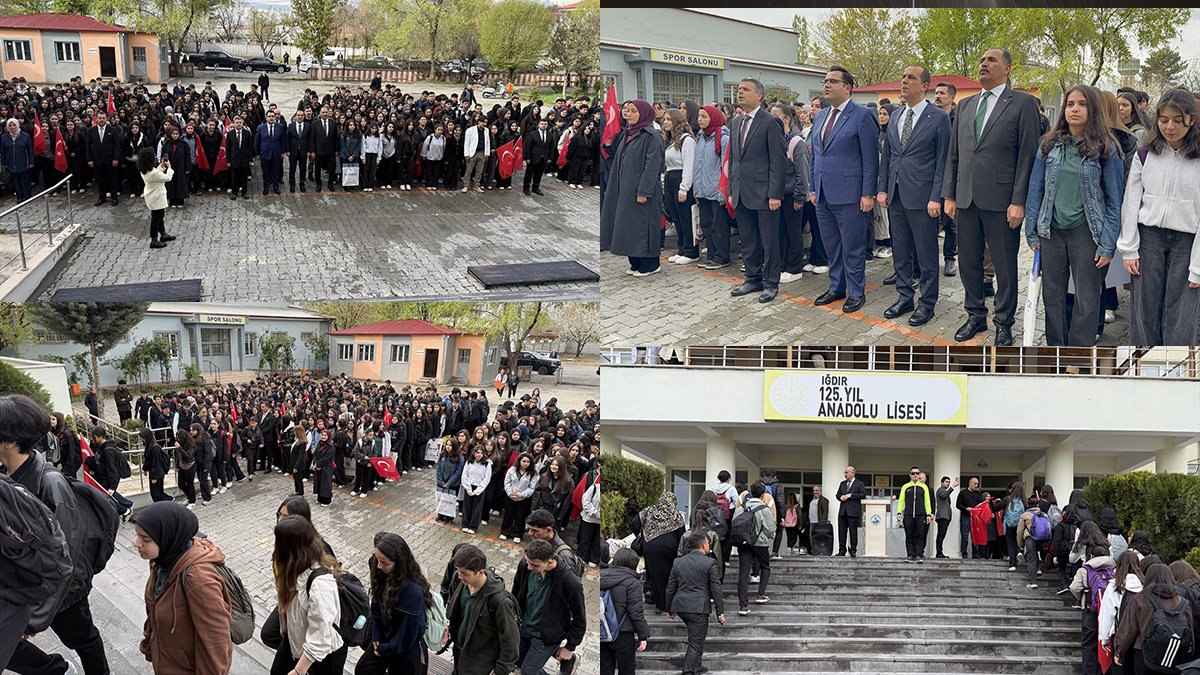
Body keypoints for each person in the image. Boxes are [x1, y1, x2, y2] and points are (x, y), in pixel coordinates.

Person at [0, 395, 110, 675]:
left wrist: (32, 620)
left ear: (11, 441)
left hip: (62, 591)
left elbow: (66, 558)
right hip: (23, 583)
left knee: (84, 639)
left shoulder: (50, 483)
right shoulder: (6, 478)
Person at [943, 49, 1041, 345]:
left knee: (1004, 265)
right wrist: (949, 194)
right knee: (969, 262)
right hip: (966, 198)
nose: (983, 64)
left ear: (1007, 69)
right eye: (982, 61)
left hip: (1002, 201)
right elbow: (954, 154)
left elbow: (1028, 155)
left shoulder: (1022, 103)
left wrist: (1019, 200)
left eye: (991, 61)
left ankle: (1004, 322)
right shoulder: (966, 105)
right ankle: (975, 316)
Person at [1024, 84, 1124, 346]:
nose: (1074, 109)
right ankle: (1056, 350)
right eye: (1070, 104)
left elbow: (1115, 201)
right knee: (1053, 296)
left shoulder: (1107, 148)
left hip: (1087, 234)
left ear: (1094, 109)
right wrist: (1032, 232)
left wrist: (1107, 244)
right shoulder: (1049, 144)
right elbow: (1035, 189)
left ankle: (1078, 354)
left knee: (1087, 299)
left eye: (1082, 104)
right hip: (1052, 232)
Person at [1117, 88, 1200, 345]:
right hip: (1150, 237)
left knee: (1182, 312)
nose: (1170, 127)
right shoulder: (1146, 152)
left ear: (1192, 119)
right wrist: (1129, 248)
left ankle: (1176, 371)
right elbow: (1131, 200)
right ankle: (1141, 365)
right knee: (1144, 309)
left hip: (1188, 240)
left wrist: (1197, 266)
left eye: (1178, 120)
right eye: (1164, 119)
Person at [877, 66, 952, 326]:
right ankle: (904, 296)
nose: (904, 81)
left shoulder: (938, 118)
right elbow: (888, 156)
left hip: (923, 198)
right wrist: (883, 188)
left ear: (925, 85)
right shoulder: (896, 115)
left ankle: (927, 302)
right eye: (903, 77)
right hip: (896, 196)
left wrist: (937, 197)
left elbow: (943, 161)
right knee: (901, 251)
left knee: (926, 253)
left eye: (911, 78)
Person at [131, 501, 233, 675]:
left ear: (169, 538)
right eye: (137, 535)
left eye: (146, 539)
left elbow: (216, 644)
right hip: (166, 661)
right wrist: (149, 642)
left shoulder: (199, 579)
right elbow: (155, 605)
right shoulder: (162, 561)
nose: (136, 543)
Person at [810, 66, 879, 313]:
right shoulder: (820, 116)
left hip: (851, 194)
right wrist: (812, 187)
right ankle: (836, 286)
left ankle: (856, 291)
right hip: (823, 193)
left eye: (832, 81)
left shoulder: (862, 115)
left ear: (847, 87)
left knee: (852, 246)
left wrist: (868, 194)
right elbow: (815, 155)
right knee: (832, 246)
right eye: (825, 81)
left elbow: (871, 158)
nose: (826, 85)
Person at [728, 78, 787, 303]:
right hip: (742, 191)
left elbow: (778, 162)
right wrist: (733, 188)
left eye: (746, 90)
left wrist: (775, 194)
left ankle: (771, 282)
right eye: (739, 89)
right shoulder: (736, 123)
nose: (740, 93)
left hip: (764, 194)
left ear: (759, 95)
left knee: (769, 240)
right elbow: (735, 158)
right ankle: (753, 278)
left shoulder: (770, 122)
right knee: (749, 238)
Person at [271, 515, 348, 675]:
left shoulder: (319, 584)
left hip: (322, 657)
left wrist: (299, 671)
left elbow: (321, 636)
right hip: (298, 642)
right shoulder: (295, 568)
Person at [599, 100, 663, 276]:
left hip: (642, 191)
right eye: (627, 111)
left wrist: (644, 190)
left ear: (643, 114)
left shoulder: (652, 136)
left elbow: (653, 166)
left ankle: (650, 264)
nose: (629, 114)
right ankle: (635, 261)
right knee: (628, 225)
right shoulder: (628, 133)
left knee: (643, 225)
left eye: (634, 111)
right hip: (625, 188)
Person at [356, 533, 431, 675]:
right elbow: (376, 605)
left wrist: (385, 649)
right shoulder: (380, 571)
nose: (378, 566)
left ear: (400, 563)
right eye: (377, 560)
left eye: (384, 563)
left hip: (405, 651)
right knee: (364, 669)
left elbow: (409, 637)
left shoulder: (412, 592)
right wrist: (376, 635)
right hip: (384, 638)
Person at [512, 539, 587, 675]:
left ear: (550, 561)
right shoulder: (525, 566)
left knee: (528, 671)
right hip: (524, 627)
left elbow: (579, 617)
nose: (529, 567)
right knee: (519, 662)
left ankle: (567, 658)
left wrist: (570, 647)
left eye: (534, 565)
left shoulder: (570, 582)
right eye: (528, 562)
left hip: (545, 636)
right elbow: (516, 591)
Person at [444, 544, 521, 675]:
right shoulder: (460, 582)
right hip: (459, 653)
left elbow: (510, 641)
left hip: (480, 664)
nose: (459, 576)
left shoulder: (500, 603)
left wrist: (500, 670)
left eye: (465, 573)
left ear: (481, 571)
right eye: (458, 571)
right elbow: (453, 606)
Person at [1114, 563, 1192, 673]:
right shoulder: (1182, 601)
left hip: (1144, 654)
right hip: (1174, 654)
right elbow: (1189, 630)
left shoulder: (1140, 599)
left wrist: (1119, 651)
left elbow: (1128, 629)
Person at [666, 531, 726, 675]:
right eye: (707, 542)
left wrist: (669, 608)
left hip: (681, 606)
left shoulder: (678, 562)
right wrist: (720, 611)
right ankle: (687, 671)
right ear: (703, 544)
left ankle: (697, 666)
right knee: (695, 642)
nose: (709, 545)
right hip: (698, 608)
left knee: (697, 637)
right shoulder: (710, 562)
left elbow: (670, 587)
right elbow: (716, 588)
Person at [630, 492, 685, 613]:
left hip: (649, 546)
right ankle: (661, 605)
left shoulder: (648, 511)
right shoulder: (676, 515)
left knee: (653, 571)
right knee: (665, 575)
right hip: (668, 549)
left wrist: (642, 534)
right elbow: (682, 536)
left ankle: (650, 591)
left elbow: (634, 523)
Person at [693, 105, 733, 270]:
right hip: (702, 190)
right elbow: (698, 165)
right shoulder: (700, 137)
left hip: (716, 191)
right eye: (699, 116)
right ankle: (711, 254)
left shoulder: (723, 138)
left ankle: (722, 256)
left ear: (714, 118)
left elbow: (726, 166)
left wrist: (723, 191)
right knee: (707, 224)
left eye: (704, 116)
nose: (700, 119)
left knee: (719, 226)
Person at [599, 548, 650, 675]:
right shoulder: (632, 583)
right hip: (623, 632)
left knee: (605, 669)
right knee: (627, 670)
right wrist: (643, 636)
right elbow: (636, 612)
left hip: (604, 631)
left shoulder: (602, 576)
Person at [662, 108, 699, 266]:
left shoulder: (687, 141)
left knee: (686, 217)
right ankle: (682, 248)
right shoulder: (672, 142)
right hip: (671, 179)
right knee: (676, 217)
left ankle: (692, 251)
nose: (665, 122)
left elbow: (689, 166)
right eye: (664, 119)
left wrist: (684, 188)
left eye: (669, 120)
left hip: (681, 179)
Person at [733, 481, 776, 616]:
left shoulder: (741, 508)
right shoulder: (764, 509)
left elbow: (735, 524)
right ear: (763, 495)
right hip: (760, 543)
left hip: (744, 544)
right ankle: (760, 594)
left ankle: (743, 605)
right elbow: (770, 528)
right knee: (765, 567)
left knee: (743, 573)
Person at [1100, 550, 1145, 673]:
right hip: (1141, 637)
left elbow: (1107, 614)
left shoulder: (1115, 585)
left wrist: (1104, 638)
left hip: (1120, 634)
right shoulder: (1144, 584)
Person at [133, 148, 178, 250]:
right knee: (156, 218)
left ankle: (163, 234)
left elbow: (156, 173)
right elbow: (167, 178)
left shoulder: (144, 170)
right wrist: (169, 167)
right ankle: (154, 240)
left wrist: (162, 165)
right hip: (157, 197)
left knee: (159, 215)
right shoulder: (153, 173)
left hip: (152, 196)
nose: (155, 158)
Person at [85, 426, 132, 519]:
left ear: (101, 436)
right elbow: (98, 461)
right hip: (102, 477)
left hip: (108, 478)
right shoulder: (99, 447)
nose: (93, 439)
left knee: (104, 496)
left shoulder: (108, 450)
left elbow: (112, 469)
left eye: (95, 437)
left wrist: (112, 487)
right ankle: (128, 506)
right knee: (108, 495)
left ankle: (125, 511)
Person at [896, 467, 933, 563]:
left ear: (919, 474)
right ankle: (910, 555)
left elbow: (927, 501)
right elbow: (901, 501)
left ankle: (918, 555)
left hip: (920, 515)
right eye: (913, 473)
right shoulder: (905, 486)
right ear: (910, 475)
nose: (915, 475)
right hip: (908, 515)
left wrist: (928, 514)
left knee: (919, 536)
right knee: (909, 535)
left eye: (917, 473)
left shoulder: (924, 487)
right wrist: (899, 512)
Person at [86, 111, 122, 206]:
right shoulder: (90, 131)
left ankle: (114, 197)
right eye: (100, 118)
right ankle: (102, 197)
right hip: (97, 160)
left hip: (110, 160)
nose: (101, 120)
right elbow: (88, 147)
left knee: (112, 179)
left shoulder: (113, 130)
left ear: (106, 119)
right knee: (100, 180)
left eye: (103, 118)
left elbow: (117, 145)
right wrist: (89, 159)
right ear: (96, 119)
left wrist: (116, 158)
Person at [501, 452, 537, 542]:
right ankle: (505, 532)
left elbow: (532, 487)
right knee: (508, 514)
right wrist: (510, 493)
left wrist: (521, 494)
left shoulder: (533, 473)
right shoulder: (512, 470)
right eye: (524, 461)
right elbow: (507, 482)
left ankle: (517, 534)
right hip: (511, 496)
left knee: (520, 516)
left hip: (523, 498)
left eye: (528, 462)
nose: (525, 463)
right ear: (519, 461)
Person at [834, 466, 866, 557]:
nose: (845, 474)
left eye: (846, 472)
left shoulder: (859, 483)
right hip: (842, 512)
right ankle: (842, 550)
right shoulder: (842, 484)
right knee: (842, 532)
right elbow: (837, 494)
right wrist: (841, 497)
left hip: (853, 512)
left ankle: (853, 550)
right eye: (844, 472)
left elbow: (863, 495)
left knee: (853, 532)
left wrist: (851, 495)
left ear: (852, 473)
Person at [460, 445, 492, 534]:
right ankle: (465, 524)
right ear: (474, 453)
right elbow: (464, 475)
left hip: (479, 488)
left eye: (481, 453)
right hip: (469, 486)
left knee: (477, 508)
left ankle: (473, 526)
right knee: (467, 506)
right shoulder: (469, 462)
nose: (479, 455)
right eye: (477, 453)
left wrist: (477, 491)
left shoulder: (487, 463)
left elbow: (486, 479)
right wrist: (468, 489)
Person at [2, 118, 35, 201]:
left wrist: (31, 161)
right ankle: (19, 197)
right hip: (11, 163)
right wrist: (4, 162)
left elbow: (30, 150)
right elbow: (3, 151)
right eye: (10, 125)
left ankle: (27, 196)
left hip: (24, 162)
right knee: (16, 182)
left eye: (14, 125)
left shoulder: (25, 136)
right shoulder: (4, 137)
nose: (12, 127)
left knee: (25, 181)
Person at [255, 109, 285, 196]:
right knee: (266, 172)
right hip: (265, 153)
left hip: (276, 153)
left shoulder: (280, 127)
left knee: (275, 171)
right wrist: (257, 153)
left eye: (273, 116)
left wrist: (282, 152)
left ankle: (276, 187)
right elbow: (257, 141)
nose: (271, 118)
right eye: (269, 116)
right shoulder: (261, 128)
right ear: (266, 117)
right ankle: (266, 187)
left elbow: (282, 140)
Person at [310, 108, 339, 192]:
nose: (325, 114)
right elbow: (312, 138)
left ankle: (330, 183)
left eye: (326, 112)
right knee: (318, 168)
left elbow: (335, 138)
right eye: (323, 112)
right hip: (319, 150)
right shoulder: (315, 124)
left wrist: (337, 149)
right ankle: (318, 184)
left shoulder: (333, 123)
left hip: (331, 150)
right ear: (320, 113)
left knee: (332, 167)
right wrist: (313, 151)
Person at [225, 116, 253, 200]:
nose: (238, 124)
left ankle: (244, 192)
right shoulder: (230, 134)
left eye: (240, 122)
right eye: (237, 122)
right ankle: (234, 193)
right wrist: (228, 161)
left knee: (244, 177)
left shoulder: (247, 133)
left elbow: (250, 147)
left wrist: (250, 159)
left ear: (243, 123)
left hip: (244, 159)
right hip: (234, 159)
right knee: (234, 177)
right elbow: (228, 148)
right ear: (234, 123)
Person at [522, 118, 552, 196]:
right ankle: (526, 188)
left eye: (545, 124)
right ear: (538, 125)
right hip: (533, 158)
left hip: (543, 158)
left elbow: (551, 147)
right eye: (542, 124)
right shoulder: (532, 134)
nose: (543, 125)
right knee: (529, 174)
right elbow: (527, 147)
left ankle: (535, 187)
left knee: (539, 174)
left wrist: (550, 158)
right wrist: (527, 158)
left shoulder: (549, 135)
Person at [463, 118, 491, 192]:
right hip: (472, 152)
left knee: (479, 171)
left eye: (485, 122)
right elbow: (467, 142)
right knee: (469, 170)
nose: (484, 124)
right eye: (483, 122)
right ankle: (466, 185)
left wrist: (487, 153)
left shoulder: (486, 130)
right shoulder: (470, 130)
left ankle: (476, 185)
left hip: (482, 152)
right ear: (478, 121)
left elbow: (487, 142)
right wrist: (466, 154)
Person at [934, 476, 958, 558]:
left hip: (946, 516)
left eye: (949, 482)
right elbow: (944, 495)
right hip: (942, 516)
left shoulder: (944, 491)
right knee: (941, 535)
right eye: (946, 482)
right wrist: (952, 487)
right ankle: (939, 553)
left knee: (942, 535)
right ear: (942, 482)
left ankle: (940, 552)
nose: (948, 483)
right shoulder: (940, 490)